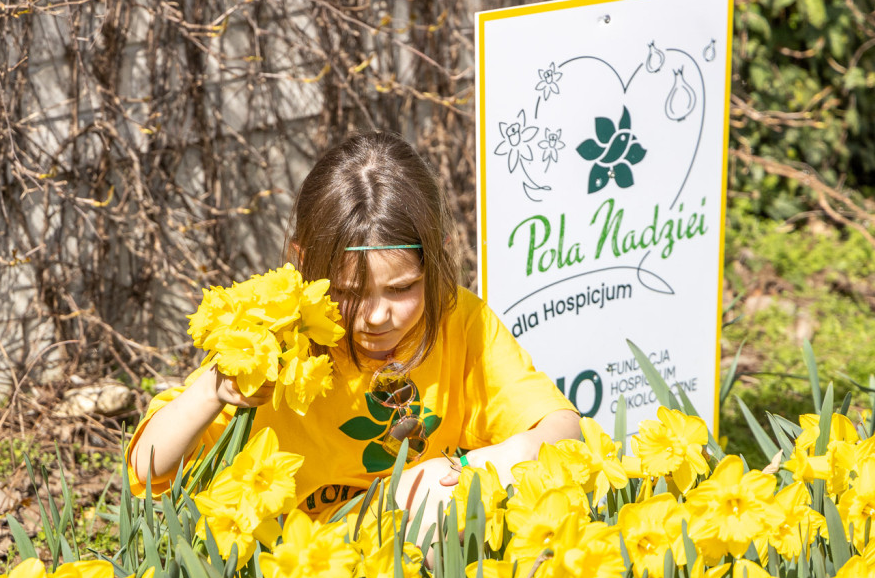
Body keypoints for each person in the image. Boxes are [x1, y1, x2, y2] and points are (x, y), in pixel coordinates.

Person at [128, 131, 581, 524]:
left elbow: (563, 428)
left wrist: (489, 463)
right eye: (348, 292)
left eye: (402, 288)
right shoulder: (281, 337)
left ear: (438, 257)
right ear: (304, 262)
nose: (377, 316)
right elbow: (150, 471)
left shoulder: (458, 319)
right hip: (311, 562)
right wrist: (213, 389)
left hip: (425, 542)